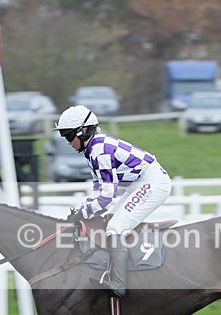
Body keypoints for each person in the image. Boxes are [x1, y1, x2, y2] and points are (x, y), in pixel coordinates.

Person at [53, 105, 172, 297]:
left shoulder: (99, 149)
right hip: (139, 182)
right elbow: (98, 190)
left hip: (152, 183)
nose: (67, 142)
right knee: (110, 220)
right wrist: (83, 210)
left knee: (116, 227)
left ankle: (118, 282)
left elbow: (107, 196)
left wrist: (84, 212)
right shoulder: (91, 149)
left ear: (83, 132)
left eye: (68, 136)